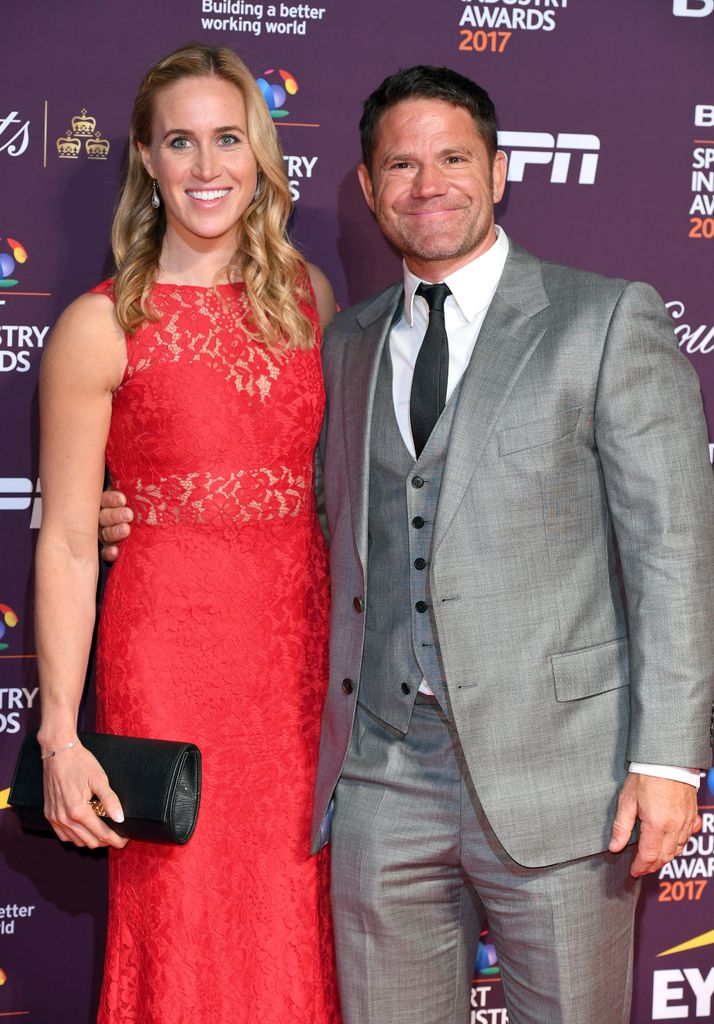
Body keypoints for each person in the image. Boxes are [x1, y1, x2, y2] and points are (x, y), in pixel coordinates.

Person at [100, 66, 714, 1024]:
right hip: (383, 780)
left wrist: (671, 762)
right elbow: (282, 499)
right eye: (401, 165)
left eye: (453, 159)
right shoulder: (343, 341)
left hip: (564, 779)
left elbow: (675, 551)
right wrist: (135, 505)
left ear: (501, 171)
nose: (428, 185)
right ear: (370, 186)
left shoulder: (605, 320)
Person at [36, 43, 340, 1024]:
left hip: (303, 657)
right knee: (188, 906)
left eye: (228, 139)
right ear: (145, 159)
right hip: (171, 649)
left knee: (303, 906)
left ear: (258, 155)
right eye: (181, 143)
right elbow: (72, 540)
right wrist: (58, 731)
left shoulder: (308, 296)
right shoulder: (100, 326)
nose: (208, 168)